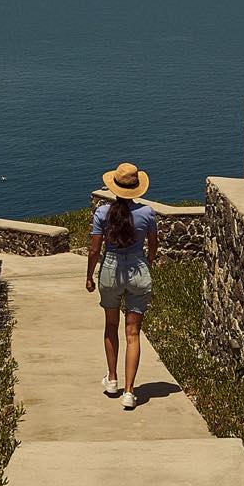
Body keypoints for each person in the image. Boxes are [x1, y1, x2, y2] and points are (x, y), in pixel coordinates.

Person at [86, 161, 158, 410]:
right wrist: (147, 261)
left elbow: (95, 249)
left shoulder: (102, 214)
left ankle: (113, 379)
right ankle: (130, 392)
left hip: (111, 271)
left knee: (111, 326)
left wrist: (88, 276)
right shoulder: (147, 213)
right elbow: (153, 244)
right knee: (133, 333)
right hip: (138, 271)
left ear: (114, 187)